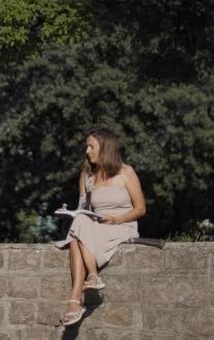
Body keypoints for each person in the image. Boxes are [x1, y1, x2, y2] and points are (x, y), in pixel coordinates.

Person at [53, 128, 146, 327]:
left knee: (76, 236)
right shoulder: (87, 175)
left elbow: (140, 209)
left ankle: (75, 299)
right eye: (86, 146)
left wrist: (117, 219)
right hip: (96, 225)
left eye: (91, 146)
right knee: (79, 223)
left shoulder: (126, 172)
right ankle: (91, 278)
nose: (87, 151)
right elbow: (83, 209)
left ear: (106, 148)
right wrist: (67, 214)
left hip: (122, 225)